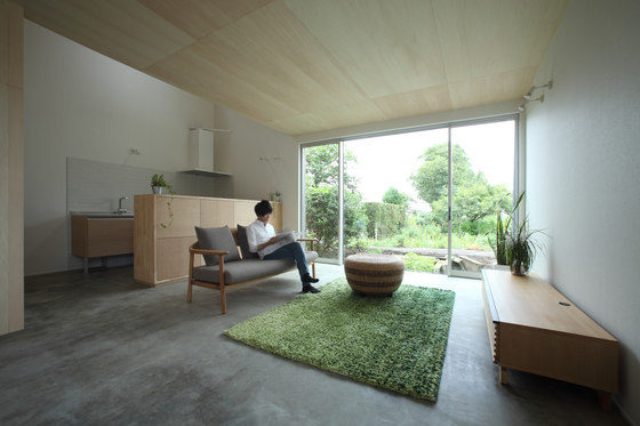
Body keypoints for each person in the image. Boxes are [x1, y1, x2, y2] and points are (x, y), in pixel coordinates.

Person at [246, 200, 321, 293]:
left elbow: (275, 241)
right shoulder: (251, 228)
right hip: (267, 254)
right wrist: (269, 243)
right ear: (259, 215)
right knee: (297, 250)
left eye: (269, 214)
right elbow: (252, 249)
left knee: (296, 245)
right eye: (266, 215)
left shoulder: (270, 227)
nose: (269, 216)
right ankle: (306, 281)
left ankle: (306, 282)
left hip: (277, 249)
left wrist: (284, 239)